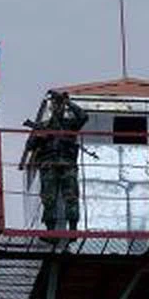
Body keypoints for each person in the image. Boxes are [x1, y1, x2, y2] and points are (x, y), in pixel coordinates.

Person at [24, 91, 89, 231]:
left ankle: (73, 228)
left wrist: (68, 103)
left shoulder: (69, 124)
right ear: (51, 107)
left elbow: (83, 117)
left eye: (59, 104)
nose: (57, 107)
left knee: (71, 196)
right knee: (48, 198)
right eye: (55, 103)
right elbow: (29, 146)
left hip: (67, 164)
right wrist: (39, 136)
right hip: (49, 165)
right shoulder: (42, 125)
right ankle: (50, 231)